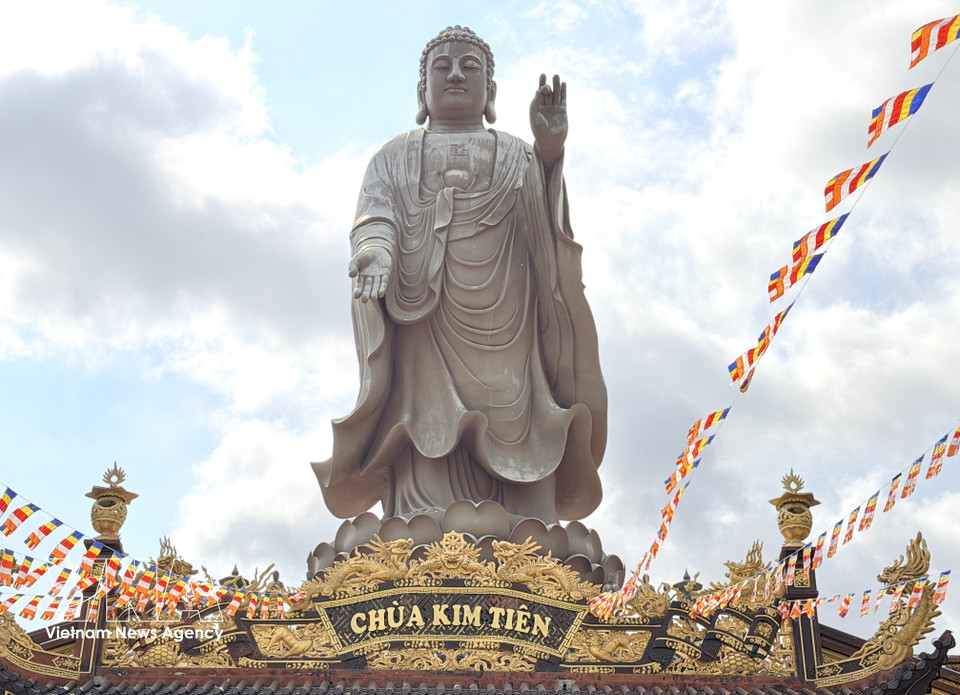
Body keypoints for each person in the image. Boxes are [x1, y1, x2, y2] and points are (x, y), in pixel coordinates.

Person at [313, 26, 607, 527]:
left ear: (490, 93)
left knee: (518, 424)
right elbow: (374, 216)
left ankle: (523, 524)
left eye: (470, 67)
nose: (454, 74)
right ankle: (420, 514)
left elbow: (550, 231)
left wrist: (550, 154)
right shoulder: (393, 156)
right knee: (423, 425)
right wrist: (374, 252)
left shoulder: (519, 155)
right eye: (441, 66)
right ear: (421, 92)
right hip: (422, 316)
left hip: (508, 328)